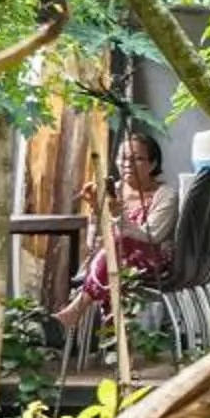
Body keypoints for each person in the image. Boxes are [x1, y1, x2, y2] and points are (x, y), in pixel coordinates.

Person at [53, 131, 178, 331]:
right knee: (113, 248)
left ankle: (75, 311)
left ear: (153, 164)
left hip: (152, 261)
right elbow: (93, 243)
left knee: (120, 242)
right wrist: (95, 212)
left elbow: (153, 235)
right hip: (112, 262)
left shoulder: (165, 195)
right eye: (123, 158)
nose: (127, 164)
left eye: (137, 158)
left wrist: (119, 216)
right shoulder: (112, 191)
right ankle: (115, 335)